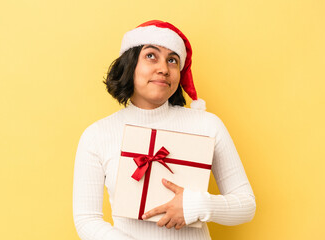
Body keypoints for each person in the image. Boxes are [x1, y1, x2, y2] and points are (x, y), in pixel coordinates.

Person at [73, 20, 256, 240]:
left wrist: (195, 205)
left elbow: (246, 205)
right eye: (151, 56)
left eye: (172, 60)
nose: (163, 69)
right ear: (130, 64)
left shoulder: (207, 124)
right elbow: (86, 220)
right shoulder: (97, 135)